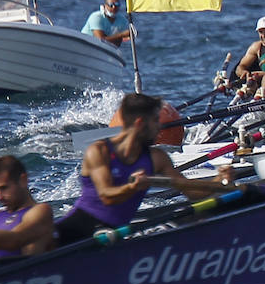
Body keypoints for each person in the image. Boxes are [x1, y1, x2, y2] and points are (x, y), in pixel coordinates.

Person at [56, 93, 224, 245]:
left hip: (114, 232)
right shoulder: (99, 151)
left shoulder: (156, 157)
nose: (159, 128)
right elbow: (107, 196)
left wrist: (219, 182)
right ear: (139, 123)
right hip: (79, 227)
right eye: (155, 122)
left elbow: (191, 192)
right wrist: (133, 187)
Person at [235, 16, 265, 81]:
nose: (264, 36)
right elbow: (240, 67)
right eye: (261, 32)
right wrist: (244, 73)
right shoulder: (257, 47)